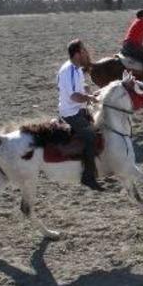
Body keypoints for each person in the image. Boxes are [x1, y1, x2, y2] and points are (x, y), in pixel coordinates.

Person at [57, 39, 101, 190]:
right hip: (71, 113)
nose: (86, 53)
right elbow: (73, 96)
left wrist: (87, 89)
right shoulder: (68, 71)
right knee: (91, 137)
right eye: (83, 51)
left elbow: (80, 86)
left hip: (80, 109)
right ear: (77, 54)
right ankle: (87, 177)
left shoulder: (76, 69)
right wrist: (90, 98)